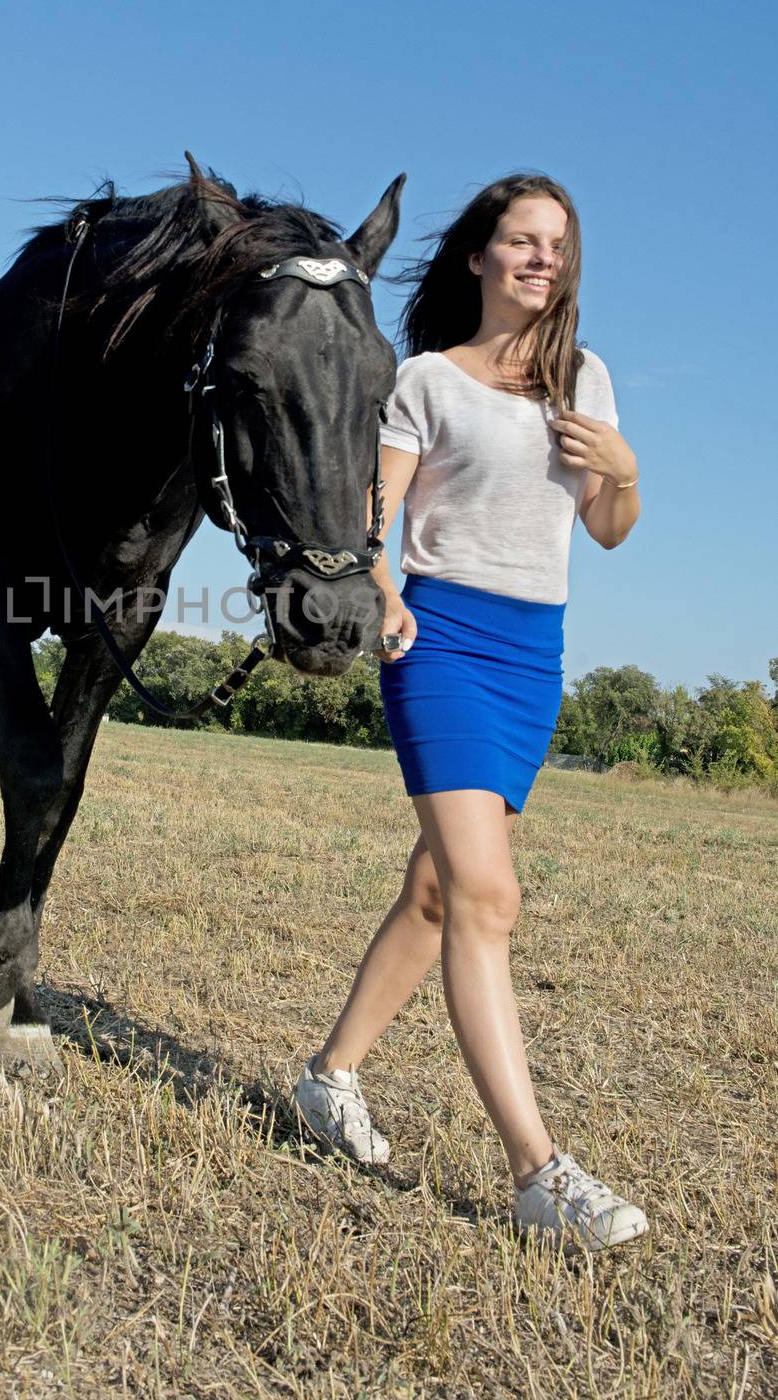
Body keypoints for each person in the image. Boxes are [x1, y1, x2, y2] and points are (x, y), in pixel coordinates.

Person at [292, 174, 647, 1253]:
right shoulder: (426, 380)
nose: (541, 258)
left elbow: (609, 529)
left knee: (440, 891)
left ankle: (326, 1076)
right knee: (487, 895)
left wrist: (623, 469)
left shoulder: (582, 379)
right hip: (438, 638)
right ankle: (537, 1173)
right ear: (476, 258)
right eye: (520, 241)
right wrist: (381, 583)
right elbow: (374, 507)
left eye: (556, 244)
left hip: (532, 653)